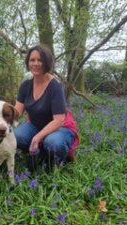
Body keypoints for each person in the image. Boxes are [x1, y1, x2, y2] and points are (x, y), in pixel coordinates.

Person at [14, 44, 79, 172]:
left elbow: (59, 120)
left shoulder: (55, 86)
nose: (36, 63)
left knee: (53, 143)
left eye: (40, 60)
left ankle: (61, 157)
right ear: (28, 62)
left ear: (47, 62)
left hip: (61, 127)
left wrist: (37, 137)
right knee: (16, 136)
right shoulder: (25, 85)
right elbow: (17, 112)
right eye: (32, 60)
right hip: (36, 125)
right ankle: (40, 153)